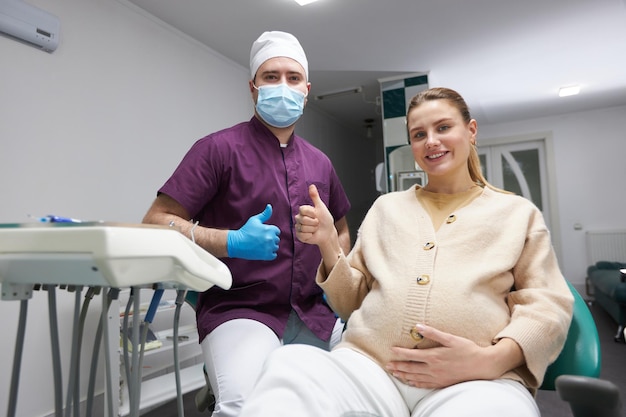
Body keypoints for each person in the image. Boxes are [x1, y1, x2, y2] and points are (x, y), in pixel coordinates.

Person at [238, 87, 574, 417]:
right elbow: (351, 303)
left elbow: (548, 306)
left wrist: (490, 360)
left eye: (443, 127)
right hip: (369, 368)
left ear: (470, 131)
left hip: (474, 379)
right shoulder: (387, 208)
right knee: (288, 366)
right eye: (418, 134)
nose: (431, 141)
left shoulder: (517, 214)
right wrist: (328, 243)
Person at [142, 31, 351, 417]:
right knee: (245, 406)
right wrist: (230, 241)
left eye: (292, 77)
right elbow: (156, 222)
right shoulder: (217, 150)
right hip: (241, 308)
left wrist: (329, 246)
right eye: (271, 77)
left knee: (345, 400)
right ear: (253, 88)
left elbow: (340, 229)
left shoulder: (320, 162)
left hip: (315, 313)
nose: (282, 86)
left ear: (307, 89)